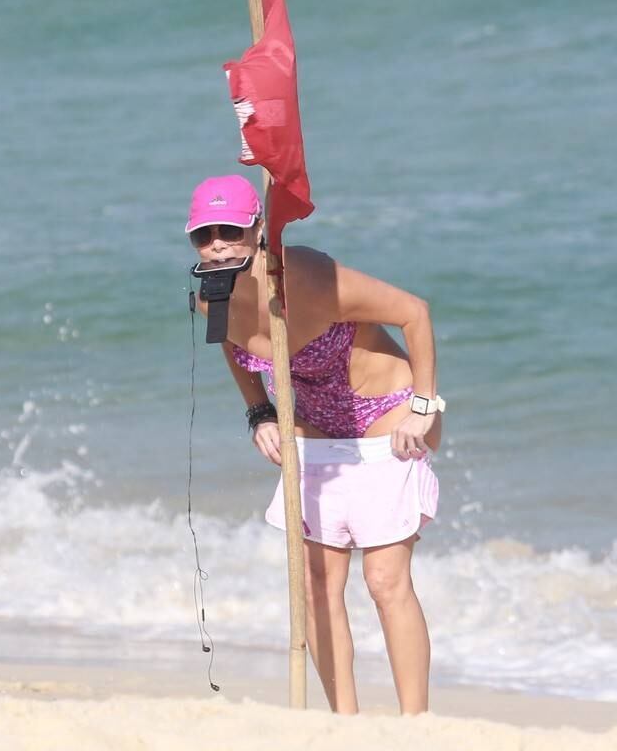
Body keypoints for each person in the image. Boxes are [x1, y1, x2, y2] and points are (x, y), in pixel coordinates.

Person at [186, 174, 443, 716]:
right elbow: (234, 350)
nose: (216, 243)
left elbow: (414, 311)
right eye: (203, 234)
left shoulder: (307, 276)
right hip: (314, 428)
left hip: (387, 418)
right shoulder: (213, 299)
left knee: (384, 581)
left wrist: (424, 407)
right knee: (317, 589)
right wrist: (258, 412)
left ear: (257, 228)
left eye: (228, 230)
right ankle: (343, 725)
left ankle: (415, 726)